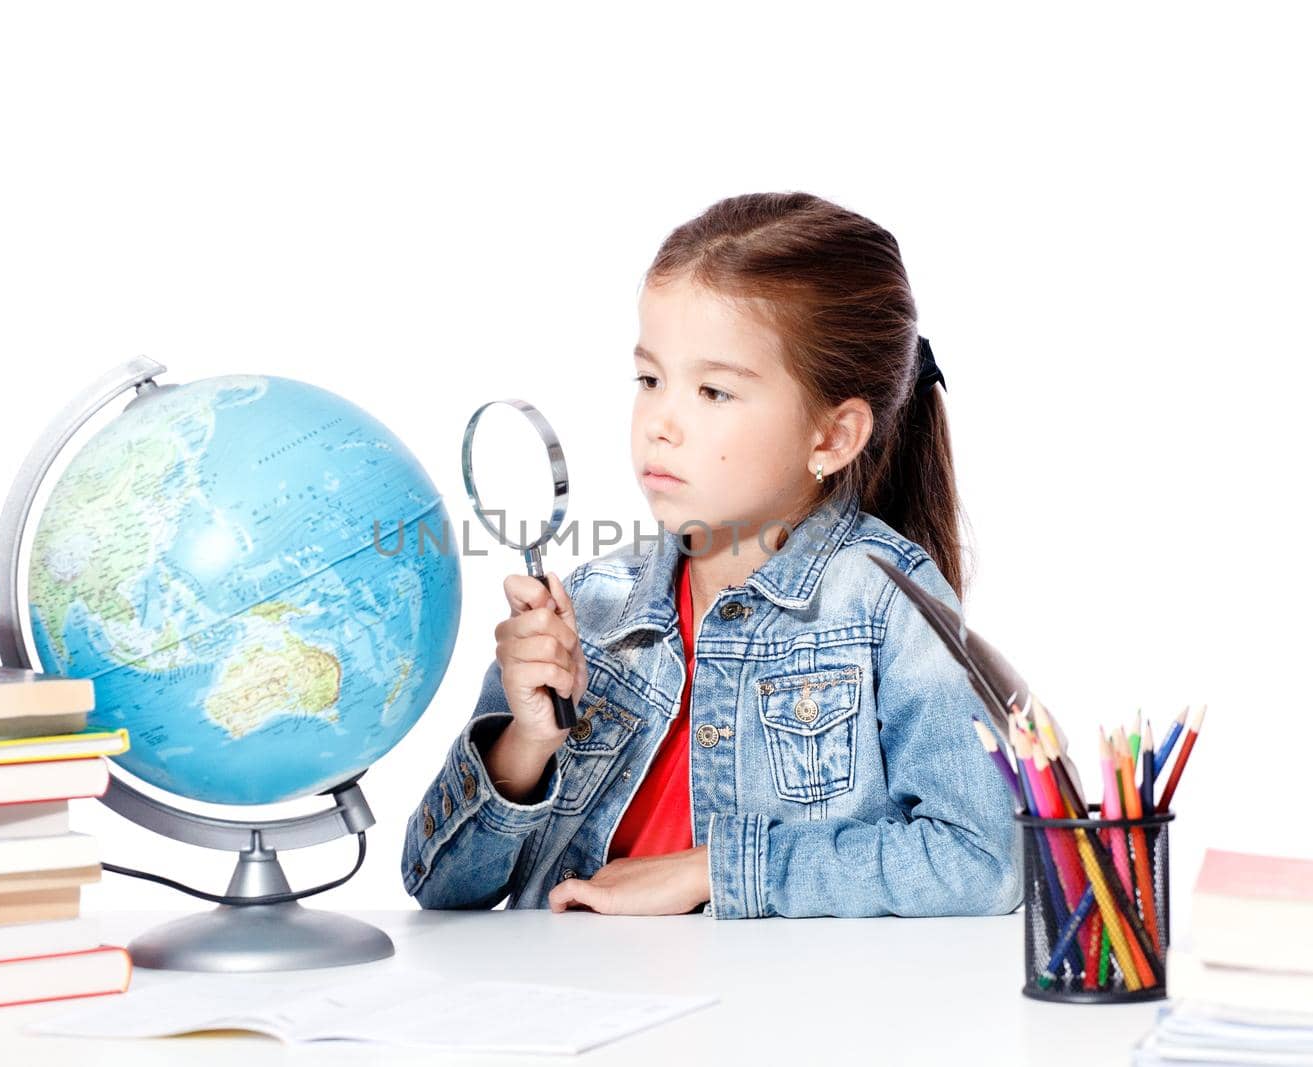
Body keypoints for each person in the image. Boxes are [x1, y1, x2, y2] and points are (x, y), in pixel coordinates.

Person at [400, 191, 1022, 919]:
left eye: (713, 391)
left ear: (831, 438)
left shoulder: (888, 604)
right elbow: (437, 884)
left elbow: (980, 858)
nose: (661, 422)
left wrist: (713, 870)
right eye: (649, 379)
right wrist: (526, 743)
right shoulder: (595, 606)